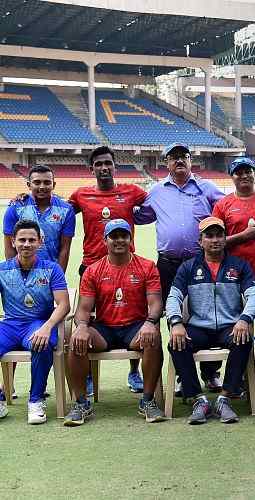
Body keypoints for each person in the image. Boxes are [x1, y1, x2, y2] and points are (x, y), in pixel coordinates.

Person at [136, 142, 225, 391]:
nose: (179, 161)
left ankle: (210, 373)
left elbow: (229, 208)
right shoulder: (156, 191)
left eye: (183, 156)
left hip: (200, 262)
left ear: (190, 161)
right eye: (173, 157)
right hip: (167, 264)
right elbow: (138, 215)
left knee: (206, 314)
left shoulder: (206, 188)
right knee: (171, 315)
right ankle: (180, 373)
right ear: (166, 163)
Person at [65, 219, 166, 426]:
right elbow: (83, 309)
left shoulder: (147, 267)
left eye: (124, 236)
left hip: (135, 326)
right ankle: (81, 403)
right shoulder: (93, 270)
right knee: (76, 341)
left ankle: (147, 401)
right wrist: (82, 327)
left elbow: (156, 304)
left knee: (153, 337)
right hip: (104, 329)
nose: (119, 240)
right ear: (105, 241)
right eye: (114, 236)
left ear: (131, 239)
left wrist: (150, 322)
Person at [166, 217, 255, 425]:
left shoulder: (239, 266)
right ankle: (198, 400)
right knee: (176, 343)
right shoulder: (188, 267)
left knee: (243, 339)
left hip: (230, 326)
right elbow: (173, 297)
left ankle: (225, 398)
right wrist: (176, 323)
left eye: (219, 235)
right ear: (200, 241)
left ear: (226, 238)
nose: (215, 240)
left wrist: (244, 319)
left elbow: (254, 296)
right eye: (209, 236)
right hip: (198, 326)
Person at [69, 145, 147, 393]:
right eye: (99, 164)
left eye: (108, 163)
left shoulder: (131, 191)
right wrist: (24, 199)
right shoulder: (81, 195)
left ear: (115, 166)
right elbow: (57, 211)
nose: (104, 168)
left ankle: (134, 372)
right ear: (91, 168)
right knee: (87, 321)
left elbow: (160, 202)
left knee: (135, 317)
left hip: (127, 266)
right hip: (92, 268)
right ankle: (89, 376)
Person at [0, 220, 70, 424]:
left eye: (32, 240)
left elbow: (64, 305)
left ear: (40, 242)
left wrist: (47, 327)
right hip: (10, 324)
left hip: (38, 323)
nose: (27, 244)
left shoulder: (52, 269)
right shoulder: (2, 270)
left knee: (42, 343)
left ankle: (36, 400)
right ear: (13, 242)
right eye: (22, 240)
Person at [212, 157, 255, 290]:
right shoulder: (222, 205)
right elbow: (214, 242)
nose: (244, 176)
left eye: (248, 171)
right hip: (232, 274)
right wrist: (244, 236)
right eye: (239, 173)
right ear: (232, 177)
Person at [4, 164, 74, 271]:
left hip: (50, 272)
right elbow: (9, 246)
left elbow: (65, 249)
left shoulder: (66, 210)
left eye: (47, 182)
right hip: (23, 272)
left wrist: (58, 276)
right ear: (29, 184)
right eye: (37, 182)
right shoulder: (15, 208)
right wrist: (15, 275)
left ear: (53, 185)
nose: (42, 187)